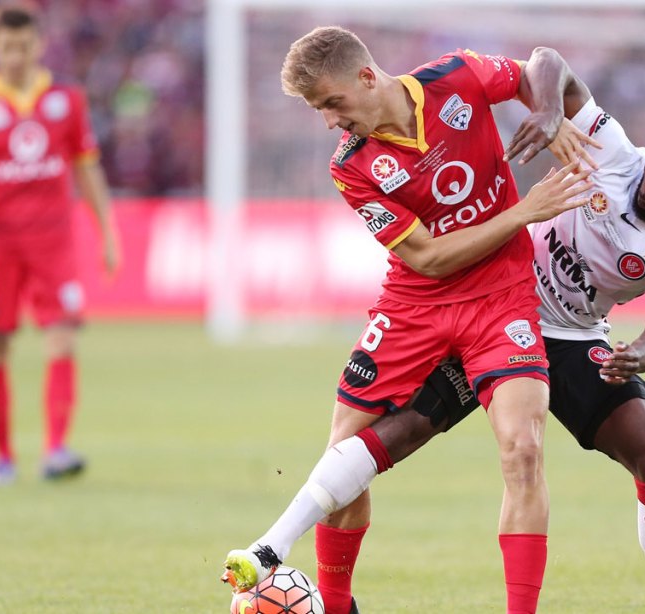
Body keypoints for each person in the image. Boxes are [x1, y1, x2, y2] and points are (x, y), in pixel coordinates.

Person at [241, 56, 645, 614]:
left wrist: (642, 350)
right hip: (490, 299)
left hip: (568, 336)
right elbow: (547, 63)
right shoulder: (614, 152)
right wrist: (548, 114)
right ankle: (296, 565)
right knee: (380, 440)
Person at [222, 27, 596, 614]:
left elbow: (544, 63)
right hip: (414, 306)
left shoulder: (457, 77)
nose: (329, 122)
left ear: (367, 78)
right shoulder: (352, 167)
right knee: (342, 451)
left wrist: (548, 112)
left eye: (333, 103)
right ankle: (338, 605)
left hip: (502, 297)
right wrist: (524, 212)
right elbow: (428, 257)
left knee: (522, 448)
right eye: (320, 110)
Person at [0, 1, 120, 488]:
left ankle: (55, 450)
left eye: (23, 46)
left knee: (62, 336)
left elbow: (87, 169)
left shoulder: (66, 101)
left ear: (39, 44)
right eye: (6, 47)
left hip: (54, 241)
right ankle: (3, 458)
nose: (14, 56)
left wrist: (107, 232)